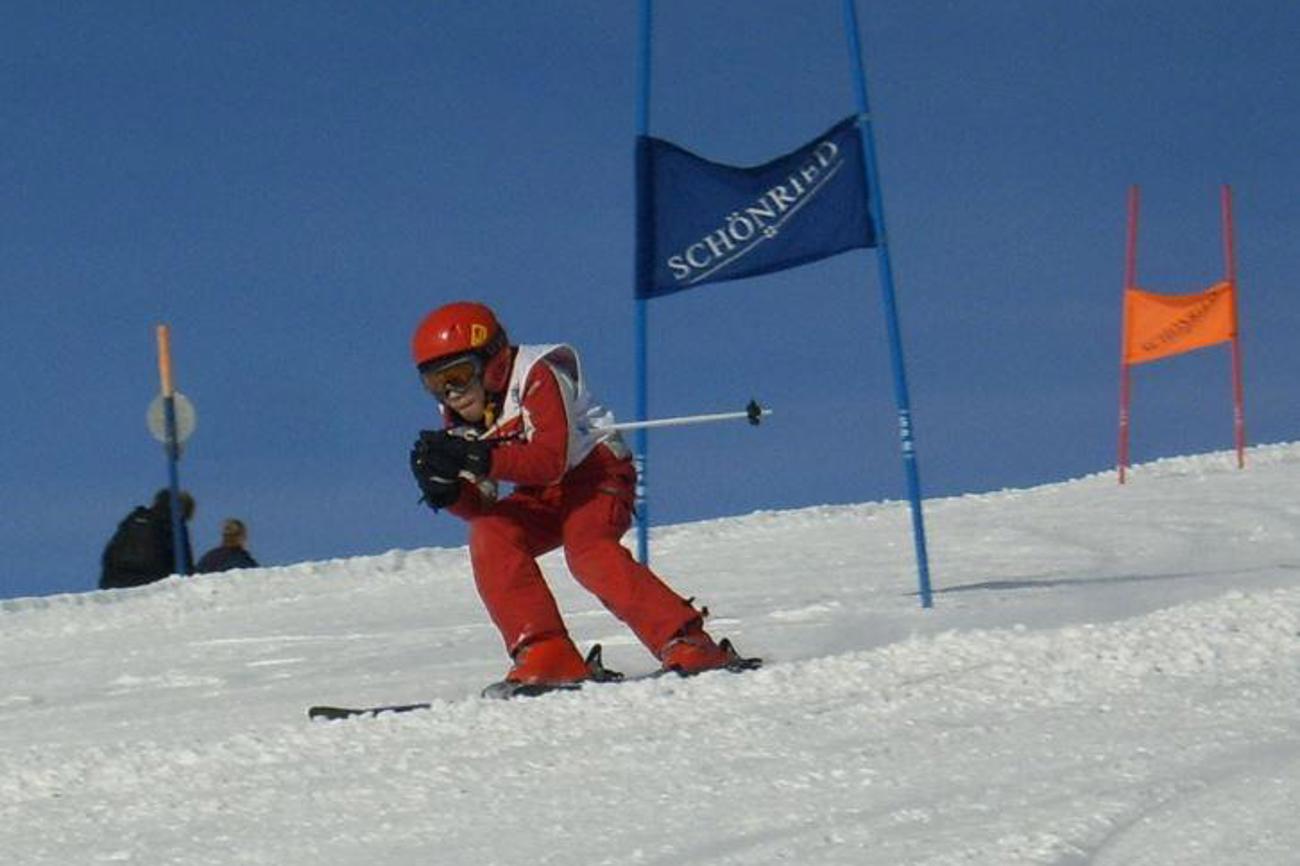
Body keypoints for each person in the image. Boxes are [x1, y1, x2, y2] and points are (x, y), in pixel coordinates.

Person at [407, 301, 758, 688]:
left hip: (596, 473)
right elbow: (482, 504)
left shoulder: (537, 375)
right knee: (491, 532)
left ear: (493, 362)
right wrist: (448, 490)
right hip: (541, 492)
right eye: (436, 384)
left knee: (588, 551)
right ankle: (547, 652)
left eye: (458, 375)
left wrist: (479, 457)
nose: (451, 394)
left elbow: (550, 460)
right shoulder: (463, 418)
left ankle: (688, 641)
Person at [99, 488, 195, 589]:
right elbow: (183, 559)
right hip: (152, 582)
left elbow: (110, 553)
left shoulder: (133, 519)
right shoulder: (174, 524)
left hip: (115, 581)